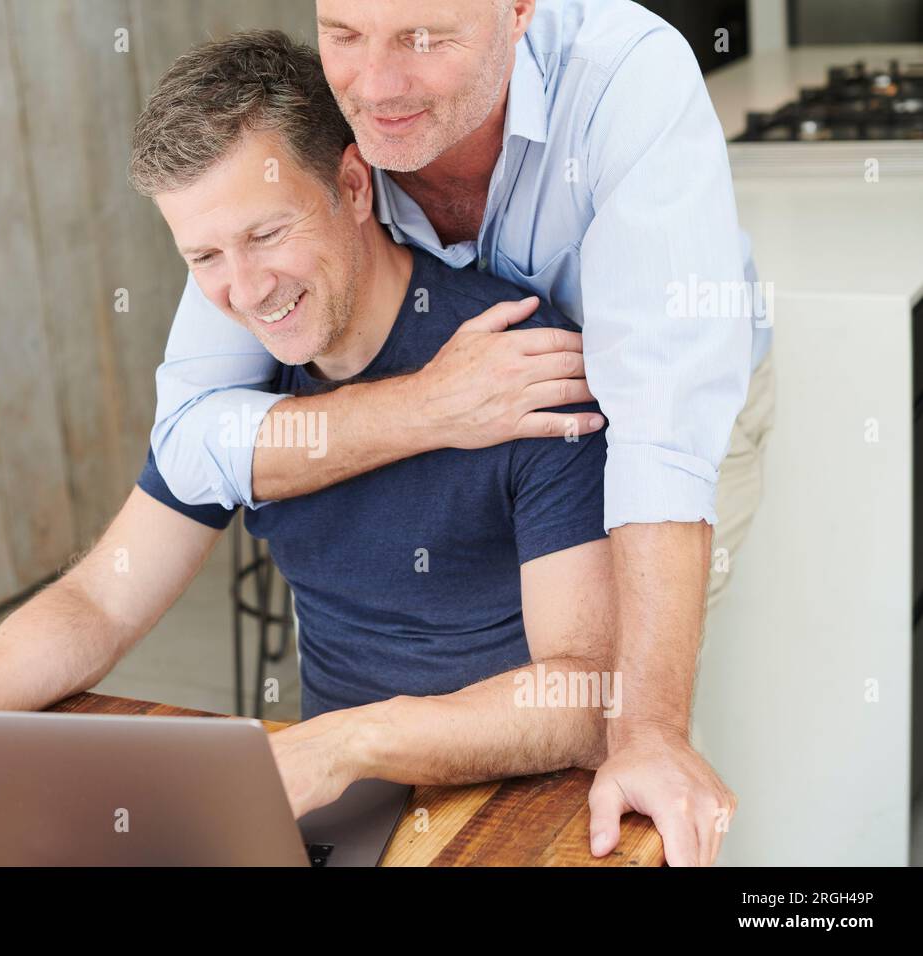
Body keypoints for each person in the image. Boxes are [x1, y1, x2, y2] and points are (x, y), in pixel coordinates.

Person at [0, 31, 628, 832]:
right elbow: (101, 601)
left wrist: (344, 745)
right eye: (205, 257)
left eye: (266, 235)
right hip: (335, 807)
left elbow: (579, 694)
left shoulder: (521, 367)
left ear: (354, 187)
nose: (247, 291)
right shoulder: (242, 389)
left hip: (508, 814)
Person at [148, 0, 763, 865]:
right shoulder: (319, 149)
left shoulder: (626, 77)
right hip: (473, 401)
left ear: (517, 11)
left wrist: (649, 728)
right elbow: (187, 437)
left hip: (650, 412)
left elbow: (662, 437)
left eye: (423, 39)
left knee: (633, 727)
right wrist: (431, 406)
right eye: (345, 35)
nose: (376, 84)